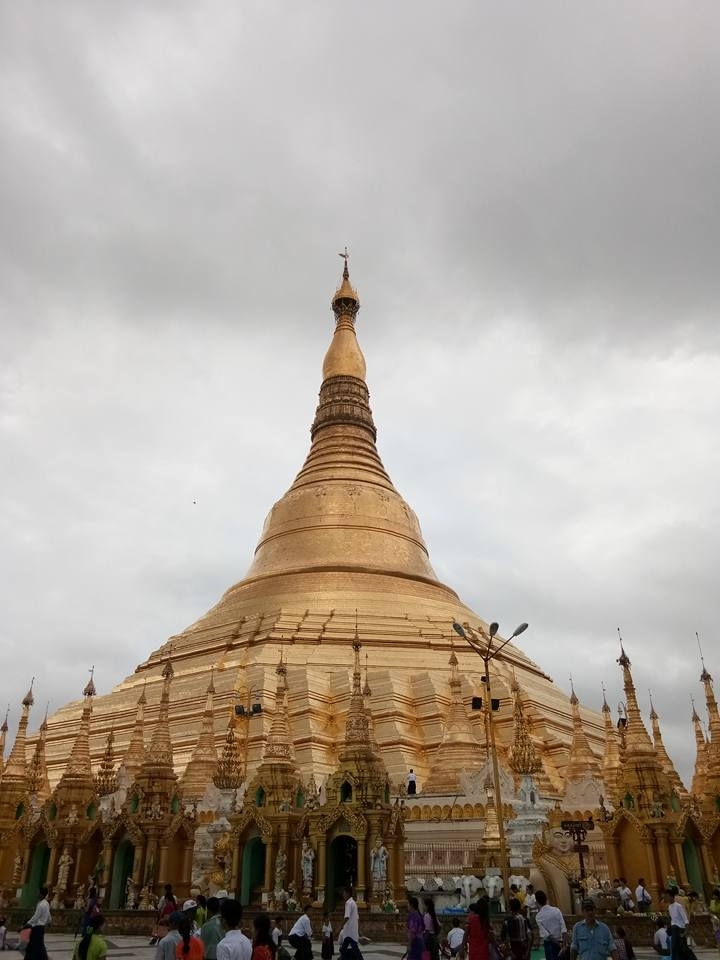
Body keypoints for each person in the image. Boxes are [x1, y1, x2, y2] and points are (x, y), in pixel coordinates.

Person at [535, 890, 568, 960]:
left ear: (537, 902)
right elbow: (564, 929)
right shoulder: (557, 910)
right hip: (562, 941)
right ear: (546, 899)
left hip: (550, 944)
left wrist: (559, 945)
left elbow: (547, 935)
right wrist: (564, 946)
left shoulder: (538, 916)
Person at [24, 885, 51, 960]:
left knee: (34, 944)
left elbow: (36, 917)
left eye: (38, 893)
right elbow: (48, 914)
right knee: (39, 944)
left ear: (41, 894)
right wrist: (49, 921)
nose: (37, 894)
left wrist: (28, 923)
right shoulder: (46, 903)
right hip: (42, 927)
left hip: (37, 927)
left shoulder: (41, 904)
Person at [339, 886, 363, 960]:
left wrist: (341, 925)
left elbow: (347, 917)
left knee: (354, 949)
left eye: (344, 893)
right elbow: (357, 918)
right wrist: (358, 929)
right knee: (344, 948)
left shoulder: (348, 903)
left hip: (349, 931)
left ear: (348, 893)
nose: (343, 895)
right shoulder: (354, 903)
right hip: (352, 930)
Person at [666, 887, 690, 960]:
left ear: (671, 897)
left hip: (680, 930)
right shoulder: (669, 907)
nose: (665, 898)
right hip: (674, 929)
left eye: (667, 896)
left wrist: (685, 932)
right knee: (674, 948)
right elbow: (672, 920)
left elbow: (685, 920)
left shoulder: (678, 906)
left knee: (682, 948)